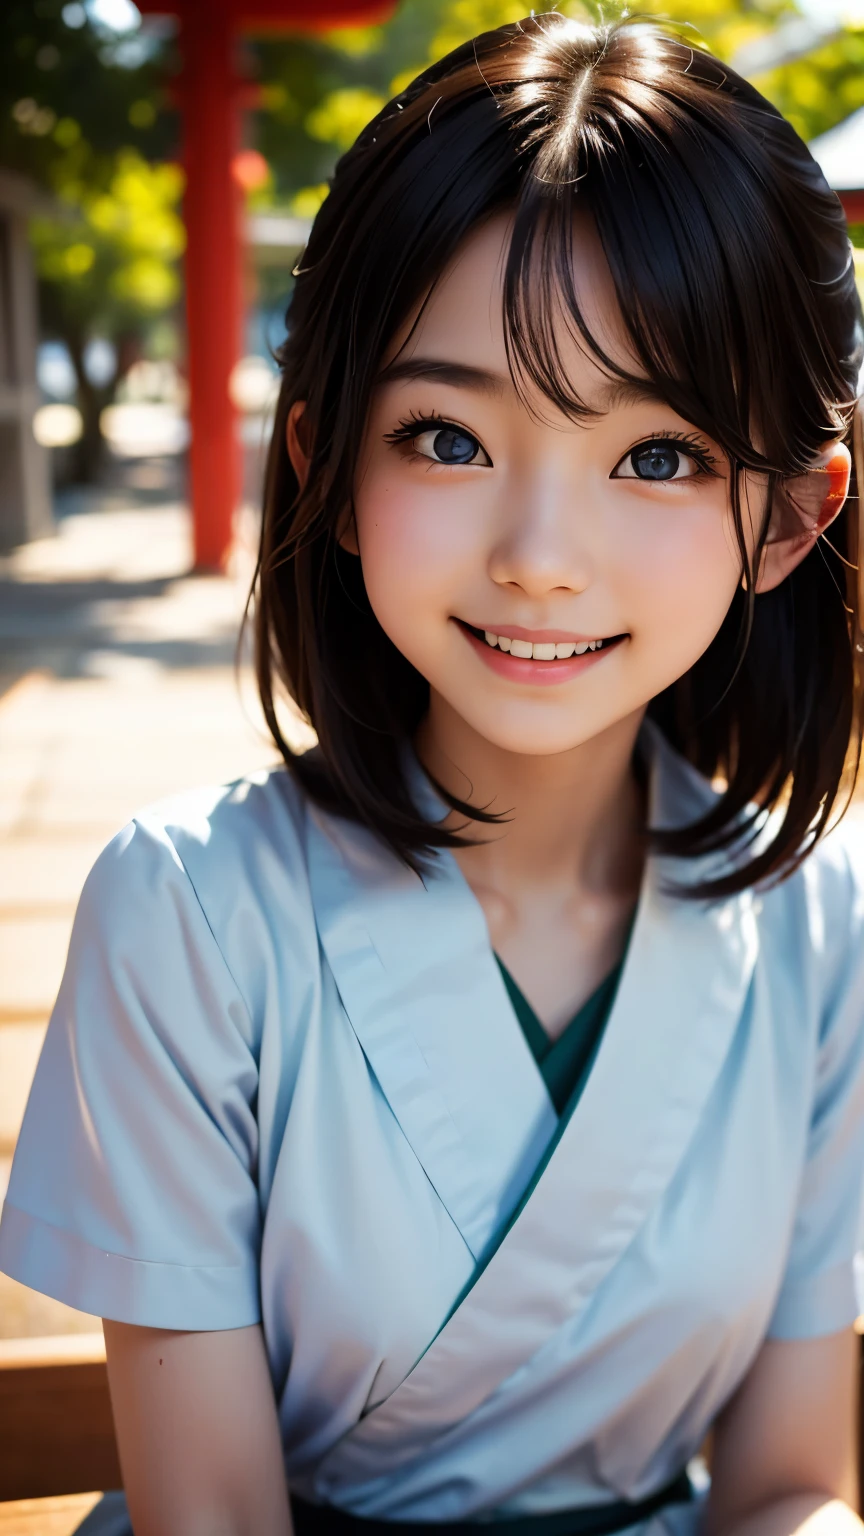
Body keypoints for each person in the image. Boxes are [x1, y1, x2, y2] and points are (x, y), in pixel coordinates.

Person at [2, 12, 864, 1536]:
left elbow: (792, 1483)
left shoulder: (823, 927)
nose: (539, 558)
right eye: (449, 437)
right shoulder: (187, 914)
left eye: (656, 455)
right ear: (330, 468)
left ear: (790, 519)